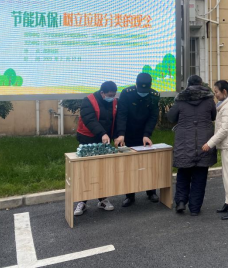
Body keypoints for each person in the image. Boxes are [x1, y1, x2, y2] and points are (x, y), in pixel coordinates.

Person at [168, 75, 217, 216]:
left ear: (188, 85)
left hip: (184, 142)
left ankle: (181, 202)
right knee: (200, 176)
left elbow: (171, 117)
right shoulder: (209, 100)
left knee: (183, 173)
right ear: (201, 84)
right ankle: (195, 208)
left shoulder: (180, 99)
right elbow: (213, 116)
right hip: (204, 142)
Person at [115, 73, 160, 207]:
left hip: (144, 135)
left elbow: (153, 116)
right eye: (141, 89)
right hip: (128, 134)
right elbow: (122, 114)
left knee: (148, 164)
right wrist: (121, 133)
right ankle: (129, 196)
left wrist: (147, 134)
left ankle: (151, 192)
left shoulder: (154, 95)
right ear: (136, 85)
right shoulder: (127, 93)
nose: (143, 92)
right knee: (129, 165)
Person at [74, 81, 118, 216]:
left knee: (102, 170)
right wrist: (102, 133)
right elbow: (90, 119)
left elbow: (115, 120)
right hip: (88, 139)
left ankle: (103, 199)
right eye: (110, 95)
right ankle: (82, 202)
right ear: (102, 93)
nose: (112, 98)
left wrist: (116, 136)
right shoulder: (88, 101)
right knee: (86, 171)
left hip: (104, 140)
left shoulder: (114, 102)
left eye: (114, 95)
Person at [202, 80, 228, 220]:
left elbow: (224, 129)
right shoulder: (225, 104)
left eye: (217, 92)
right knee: (227, 176)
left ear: (224, 92)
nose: (215, 95)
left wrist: (210, 143)